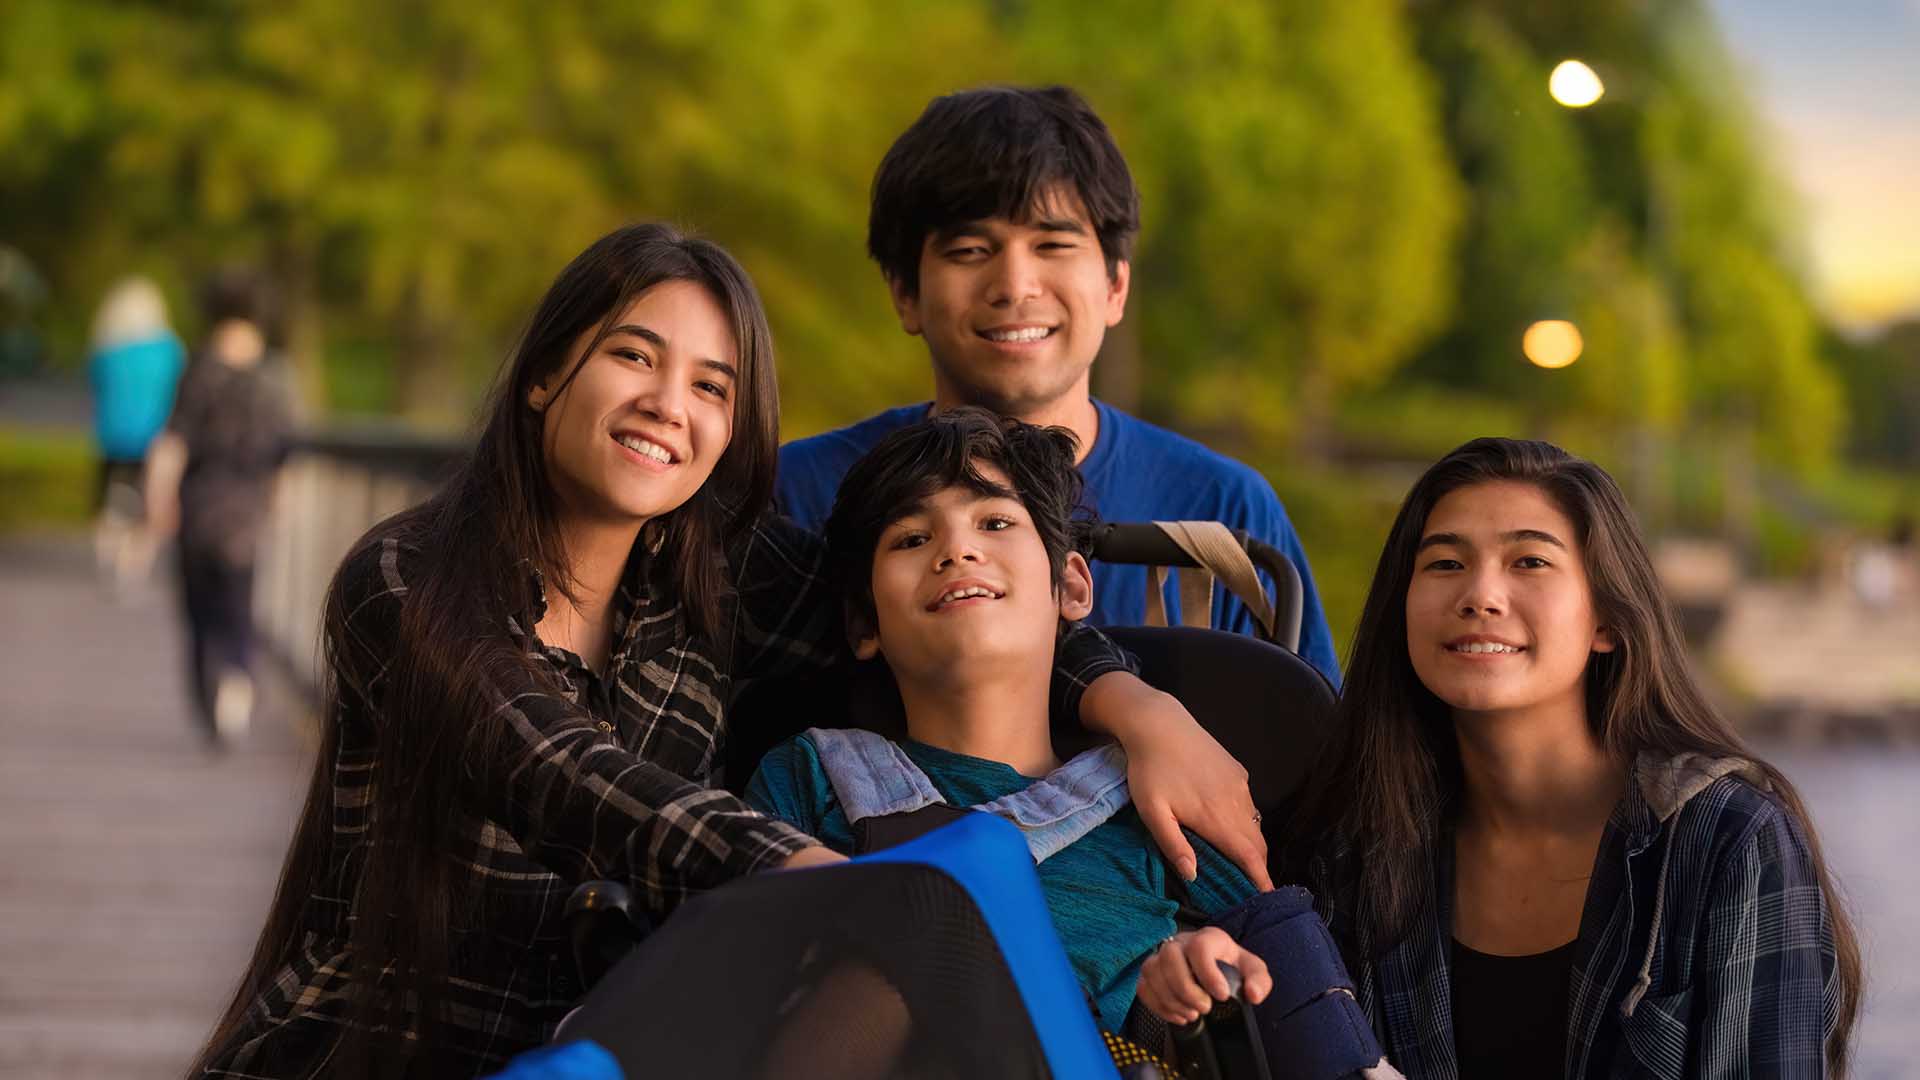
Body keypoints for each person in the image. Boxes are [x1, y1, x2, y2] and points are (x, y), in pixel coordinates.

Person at [189, 224, 1270, 1079]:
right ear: (542, 376)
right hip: (390, 1056)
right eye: (633, 357)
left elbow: (942, 615)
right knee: (948, 880)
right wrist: (805, 871)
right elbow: (568, 777)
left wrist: (1130, 703)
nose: (670, 405)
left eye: (712, 385)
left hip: (631, 1031)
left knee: (965, 872)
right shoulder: (406, 582)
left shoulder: (724, 577)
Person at [1288, 438, 1861, 1078]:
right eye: (1445, 563)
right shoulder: (1354, 844)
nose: (1480, 595)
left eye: (1529, 561)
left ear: (1608, 621)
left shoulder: (1726, 839)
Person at [774, 85, 1340, 685]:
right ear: (905, 295)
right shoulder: (799, 497)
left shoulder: (1226, 513)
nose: (1015, 285)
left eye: (1053, 244)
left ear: (1116, 284)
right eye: (970, 249)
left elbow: (1311, 755)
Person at [749, 408, 1271, 1037]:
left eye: (994, 522)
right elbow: (754, 985)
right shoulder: (812, 775)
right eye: (912, 539)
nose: (956, 550)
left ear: (1072, 587)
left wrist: (1178, 985)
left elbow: (1278, 966)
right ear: (864, 624)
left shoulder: (1155, 799)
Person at [145, 270, 293, 743]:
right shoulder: (276, 376)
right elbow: (287, 452)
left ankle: (211, 687)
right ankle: (239, 675)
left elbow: (173, 441)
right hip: (247, 510)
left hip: (200, 503)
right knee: (239, 600)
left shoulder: (199, 368)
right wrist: (278, 502)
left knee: (198, 607)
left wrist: (158, 498)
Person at [85, 276, 186, 591]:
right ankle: (132, 569)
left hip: (113, 436)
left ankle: (107, 555)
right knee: (146, 508)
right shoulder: (169, 349)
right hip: (154, 437)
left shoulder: (107, 350)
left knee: (109, 501)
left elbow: (96, 387)